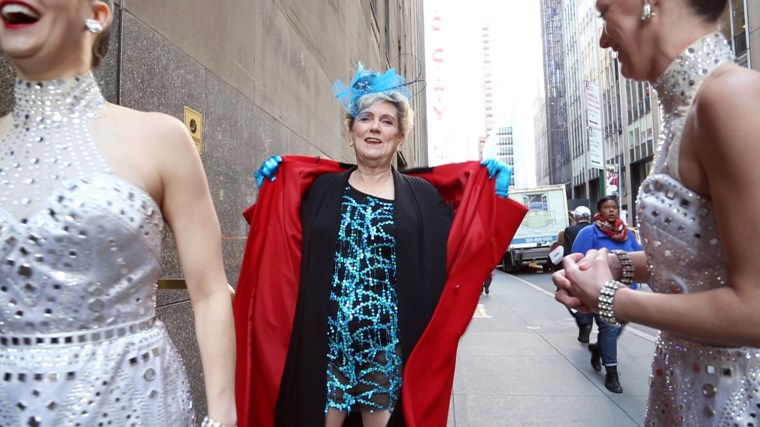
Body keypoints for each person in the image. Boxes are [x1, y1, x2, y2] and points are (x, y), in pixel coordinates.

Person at [233, 64, 527, 427]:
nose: (375, 127)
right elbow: (281, 246)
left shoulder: (422, 197)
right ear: (351, 130)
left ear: (400, 137)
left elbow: (464, 247)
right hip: (324, 348)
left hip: (385, 350)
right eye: (365, 117)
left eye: (387, 121)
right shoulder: (320, 191)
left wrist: (492, 198)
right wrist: (273, 191)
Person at [0, 1, 236, 425]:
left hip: (134, 403)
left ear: (99, 14)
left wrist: (223, 417)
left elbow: (210, 292)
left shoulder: (161, 137)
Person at [555, 0, 760, 423]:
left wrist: (611, 298)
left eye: (604, 11)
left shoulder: (730, 97)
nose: (603, 38)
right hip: (685, 392)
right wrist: (617, 264)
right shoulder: (685, 113)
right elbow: (708, 259)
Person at [570, 196, 641, 393]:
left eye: (614, 207)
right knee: (609, 329)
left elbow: (642, 259)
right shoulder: (589, 233)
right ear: (599, 211)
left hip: (627, 293)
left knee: (617, 328)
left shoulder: (628, 235)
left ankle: (598, 349)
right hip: (601, 293)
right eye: (606, 207)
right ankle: (612, 373)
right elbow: (577, 260)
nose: (611, 211)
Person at [562, 206, 594, 343]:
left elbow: (568, 251)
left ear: (576, 217)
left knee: (571, 297)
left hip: (577, 267)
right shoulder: (595, 229)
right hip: (594, 268)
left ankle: (584, 321)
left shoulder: (570, 230)